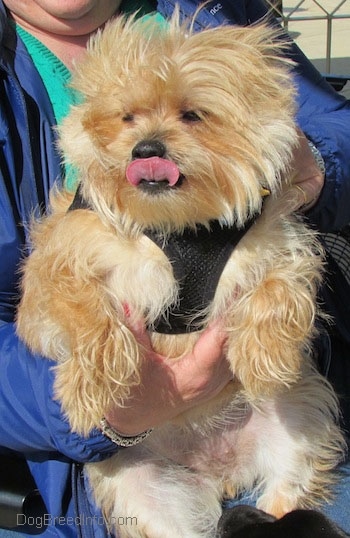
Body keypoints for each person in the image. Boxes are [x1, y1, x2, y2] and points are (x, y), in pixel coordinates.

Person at [0, 0, 349, 537]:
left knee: (298, 439)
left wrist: (317, 165)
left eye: (191, 116)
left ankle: (286, 497)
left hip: (258, 410)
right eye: (130, 119)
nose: (151, 142)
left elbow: (331, 130)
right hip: (94, 462)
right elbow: (51, 292)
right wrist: (120, 405)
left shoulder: (221, 13)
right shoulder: (88, 219)